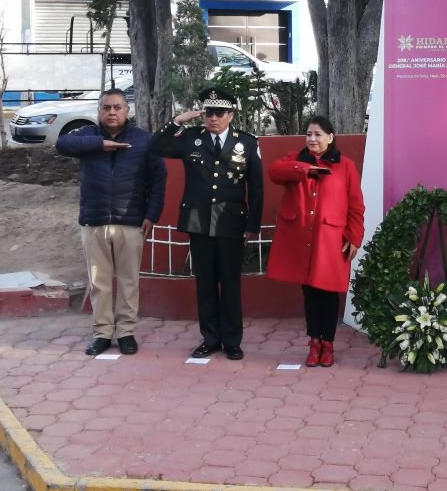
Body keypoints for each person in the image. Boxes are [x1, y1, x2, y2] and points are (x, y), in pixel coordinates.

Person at [150, 87, 263, 361]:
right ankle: (210, 338)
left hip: (230, 222)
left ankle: (232, 340)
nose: (213, 118)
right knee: (206, 283)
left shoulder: (246, 143)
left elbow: (256, 187)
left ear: (230, 115)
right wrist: (178, 121)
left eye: (219, 113)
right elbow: (156, 146)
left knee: (230, 283)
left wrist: (252, 225)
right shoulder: (190, 138)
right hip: (199, 220)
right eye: (209, 112)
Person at [56, 88, 167, 356]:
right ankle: (103, 332)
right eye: (106, 107)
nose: (112, 112)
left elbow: (158, 179)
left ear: (127, 111)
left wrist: (151, 215)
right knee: (99, 282)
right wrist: (100, 145)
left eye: (118, 107)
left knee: (129, 281)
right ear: (99, 111)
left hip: (130, 222)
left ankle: (126, 332)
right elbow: (61, 144)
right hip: (94, 222)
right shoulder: (87, 137)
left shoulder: (143, 141)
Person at [266, 117, 365, 367]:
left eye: (318, 134)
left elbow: (356, 206)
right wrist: (305, 169)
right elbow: (274, 171)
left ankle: (328, 344)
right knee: (310, 293)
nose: (312, 139)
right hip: (302, 240)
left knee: (329, 294)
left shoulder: (346, 166)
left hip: (331, 241)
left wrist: (354, 237)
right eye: (309, 134)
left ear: (330, 137)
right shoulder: (295, 159)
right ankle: (314, 343)